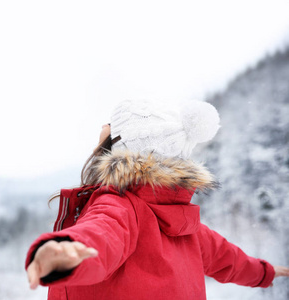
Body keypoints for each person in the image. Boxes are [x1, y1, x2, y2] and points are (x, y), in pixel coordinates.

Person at [25, 99, 289, 300]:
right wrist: (264, 272)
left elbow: (101, 234)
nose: (102, 129)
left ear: (119, 150)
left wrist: (68, 249)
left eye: (109, 127)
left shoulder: (121, 205)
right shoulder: (188, 226)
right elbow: (229, 259)